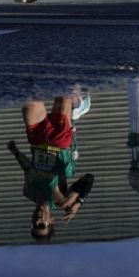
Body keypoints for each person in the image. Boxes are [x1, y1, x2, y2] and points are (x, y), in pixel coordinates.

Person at [6, 92, 94, 241]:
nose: (37, 222)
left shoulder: (28, 192)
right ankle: (76, 106)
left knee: (29, 94)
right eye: (42, 225)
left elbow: (28, 168)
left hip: (37, 140)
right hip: (60, 142)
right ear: (51, 222)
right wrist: (79, 201)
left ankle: (74, 107)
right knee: (63, 89)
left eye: (34, 225)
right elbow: (89, 178)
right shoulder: (61, 201)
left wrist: (15, 152)